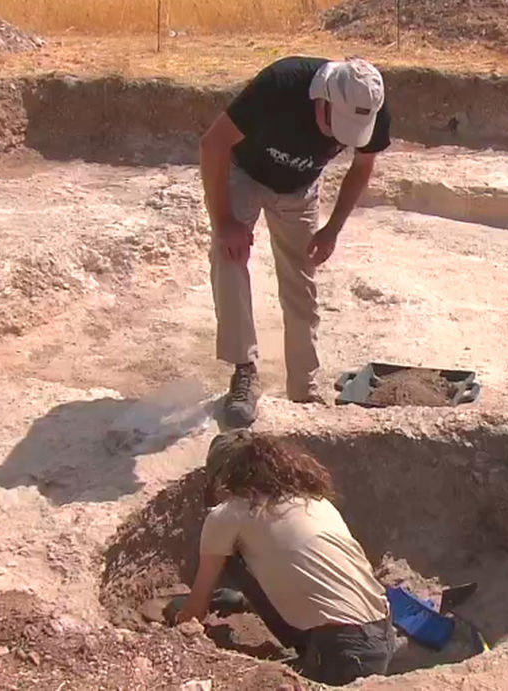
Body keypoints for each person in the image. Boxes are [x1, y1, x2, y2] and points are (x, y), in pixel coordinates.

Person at [199, 56, 393, 426]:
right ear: (322, 98)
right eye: (337, 128)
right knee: (229, 257)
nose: (339, 140)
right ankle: (244, 372)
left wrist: (332, 229)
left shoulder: (371, 104)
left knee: (301, 281)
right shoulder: (281, 84)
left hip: (299, 188)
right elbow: (213, 144)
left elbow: (362, 167)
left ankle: (304, 390)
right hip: (245, 172)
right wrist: (224, 222)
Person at [172, 430, 396, 686]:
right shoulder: (313, 500)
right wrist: (247, 601)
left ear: (223, 478)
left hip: (347, 654)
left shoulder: (227, 515)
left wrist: (176, 622)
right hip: (381, 633)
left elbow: (193, 612)